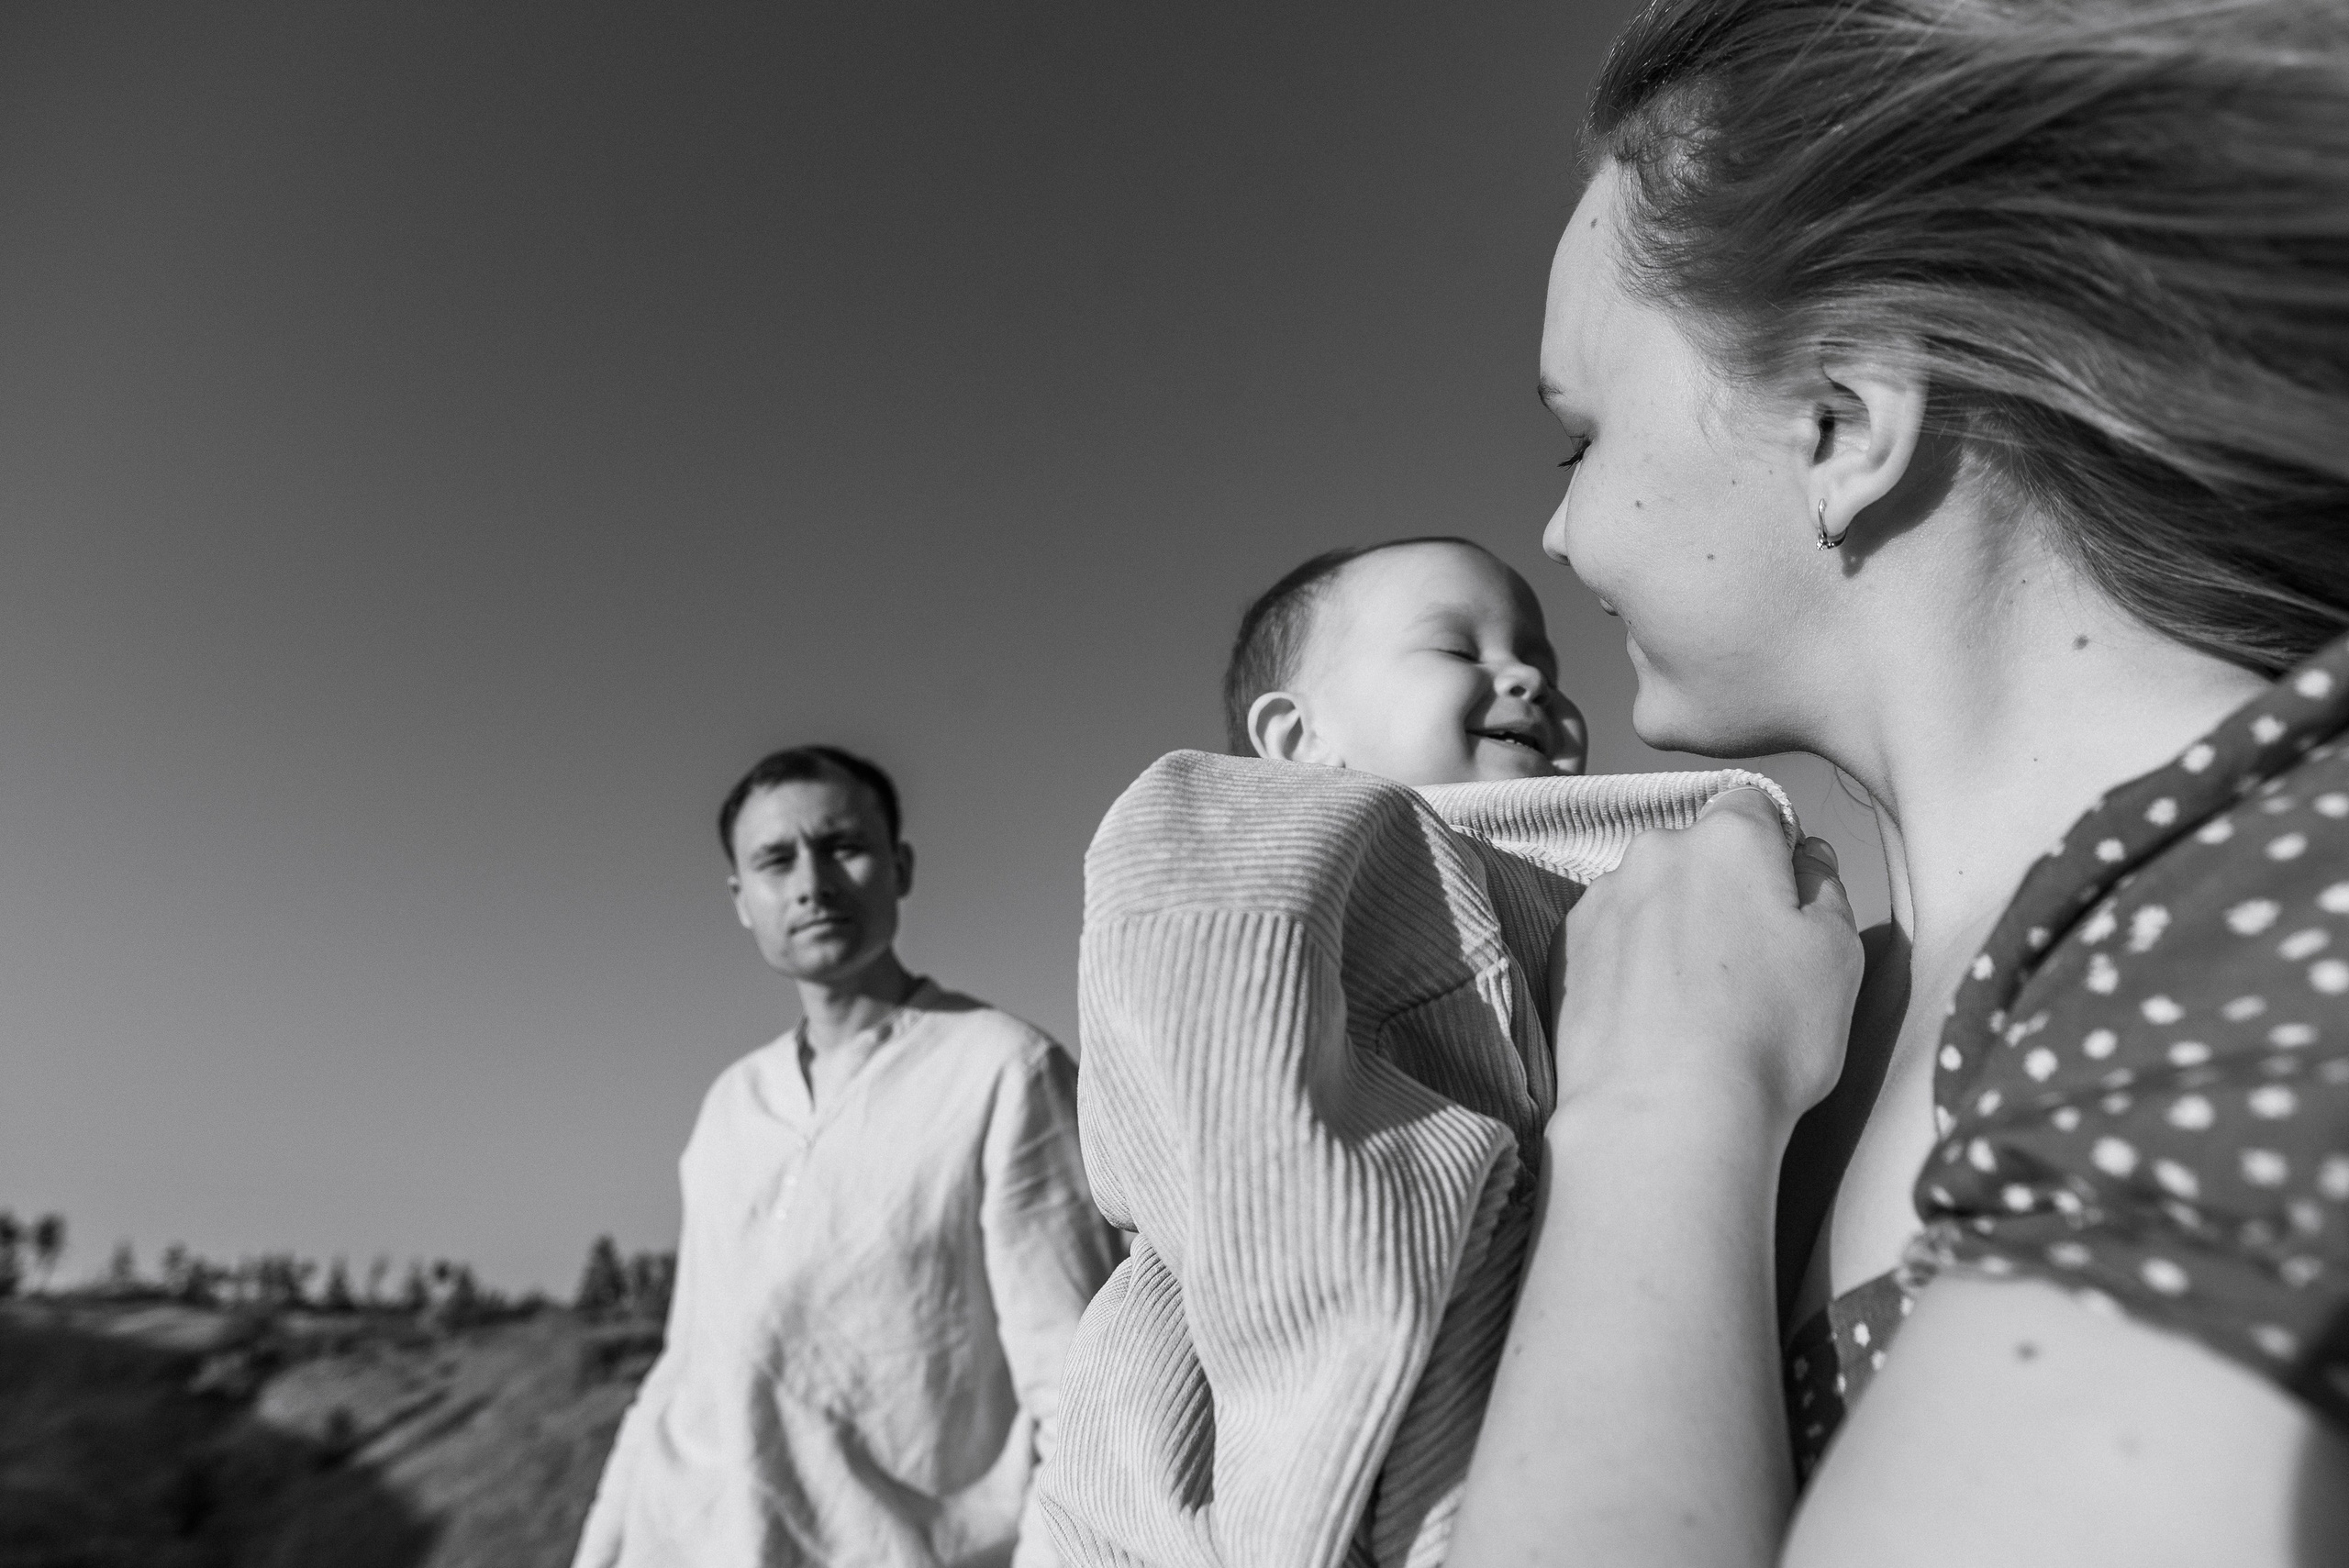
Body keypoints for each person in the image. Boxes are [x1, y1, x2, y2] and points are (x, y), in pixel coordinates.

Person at [1443, 2, 2349, 1565]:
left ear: (1843, 422)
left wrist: (1664, 1107)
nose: (1560, 537)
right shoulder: (1827, 1002)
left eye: (1577, 442)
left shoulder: (2295, 886)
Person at [1037, 537, 1800, 1565]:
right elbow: (1244, 1134)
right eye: (1457, 648)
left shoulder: (1612, 890)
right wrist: (1323, 1468)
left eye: (1541, 658)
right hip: (1294, 1440)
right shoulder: (1286, 831)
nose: (1527, 674)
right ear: (1297, 736)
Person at [573, 745, 1121, 1568]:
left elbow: (1079, 1392)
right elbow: (681, 1370)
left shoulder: (1002, 1071)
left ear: (899, 867)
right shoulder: (731, 1104)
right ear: (741, 899)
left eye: (842, 847)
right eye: (775, 859)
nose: (812, 883)